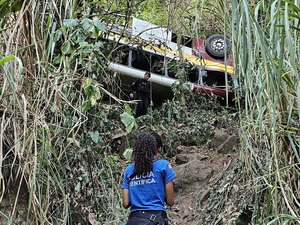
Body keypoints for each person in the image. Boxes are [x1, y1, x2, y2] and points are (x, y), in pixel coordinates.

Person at [122, 132, 176, 225]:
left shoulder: (129, 170)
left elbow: (125, 203)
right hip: (156, 219)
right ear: (155, 149)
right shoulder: (163, 165)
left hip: (134, 220)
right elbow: (170, 202)